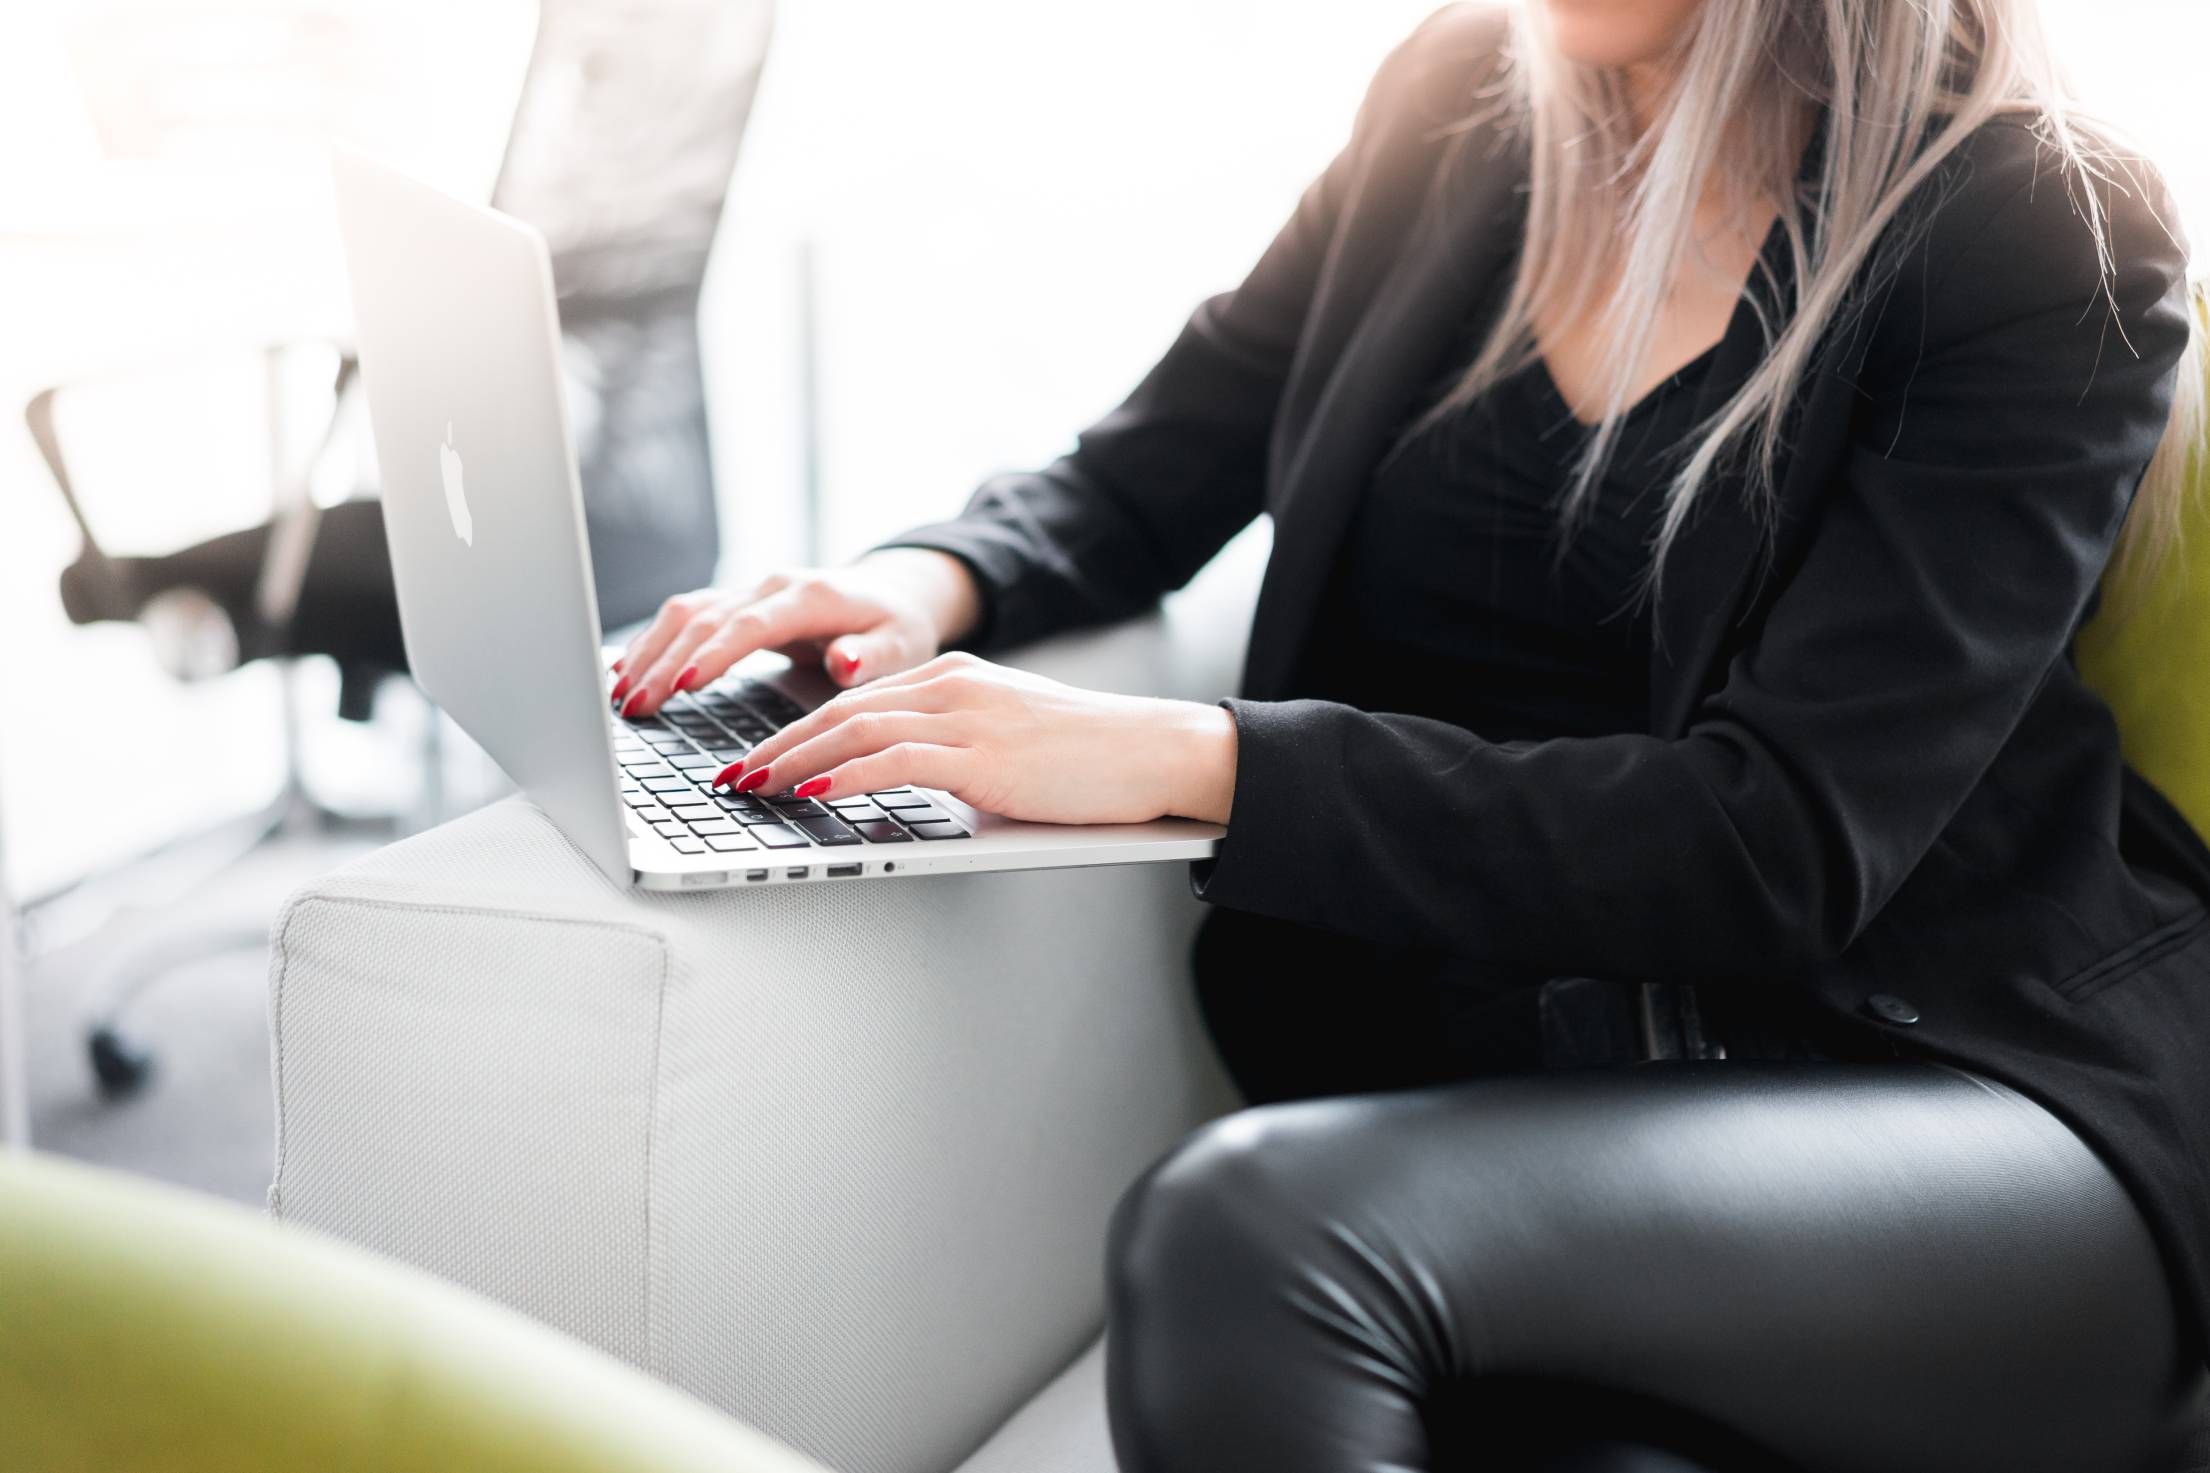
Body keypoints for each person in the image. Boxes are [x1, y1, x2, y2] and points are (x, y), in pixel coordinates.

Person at [613, 0, 2210, 1466]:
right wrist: (917, 582)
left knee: (1250, 1232)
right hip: (1556, 1126)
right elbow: (1160, 456)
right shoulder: (1457, 98)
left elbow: (1772, 841)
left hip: (1948, 1095)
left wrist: (1198, 760)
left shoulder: (2034, 223)